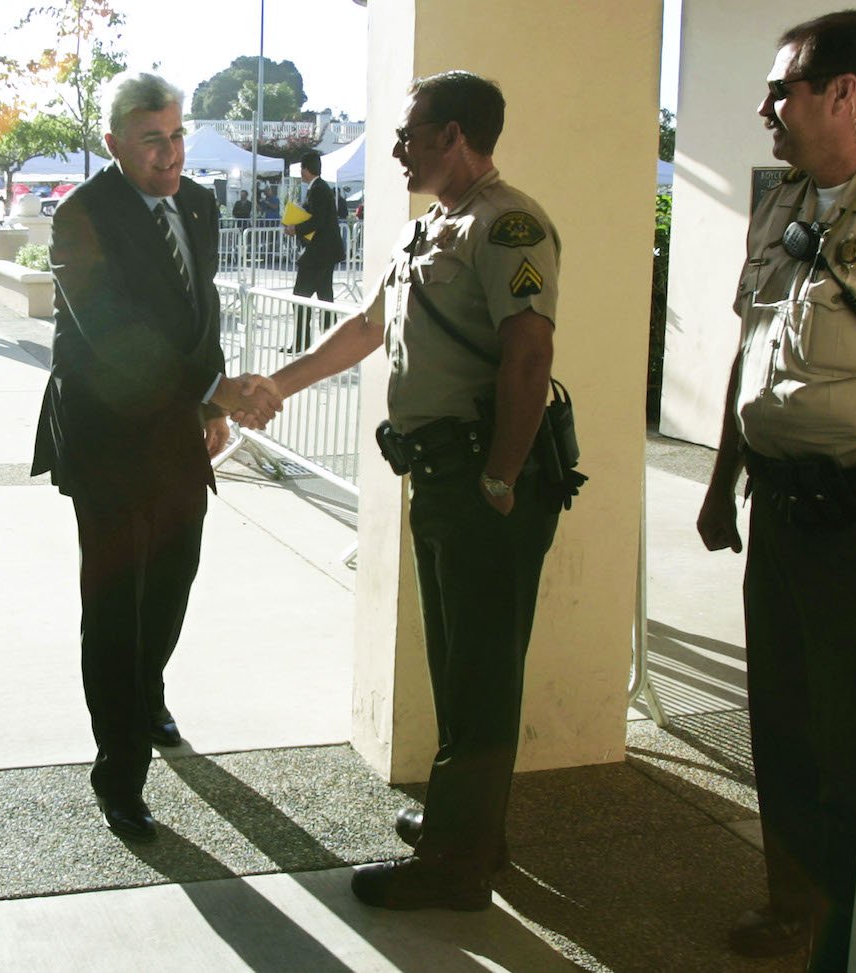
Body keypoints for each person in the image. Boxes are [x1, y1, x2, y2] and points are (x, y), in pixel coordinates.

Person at [270, 70, 562, 911]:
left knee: (479, 669)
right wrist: (278, 387)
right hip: (439, 475)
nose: (397, 147)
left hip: (483, 477)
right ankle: (469, 830)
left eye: (411, 132)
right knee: (458, 662)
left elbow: (529, 356)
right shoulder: (428, 229)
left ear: (457, 135)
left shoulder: (507, 224)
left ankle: (456, 865)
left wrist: (502, 477)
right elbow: (366, 330)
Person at [695, 12, 856, 969]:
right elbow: (753, 351)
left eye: (781, 89)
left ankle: (852, 932)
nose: (763, 107)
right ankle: (794, 908)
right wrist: (719, 481)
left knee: (847, 739)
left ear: (845, 94)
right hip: (774, 503)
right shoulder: (784, 202)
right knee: (777, 720)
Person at [30, 71, 281, 845]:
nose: (171, 154)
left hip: (177, 429)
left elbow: (198, 310)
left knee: (173, 578)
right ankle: (120, 770)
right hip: (106, 439)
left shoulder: (199, 203)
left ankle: (147, 687)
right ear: (114, 144)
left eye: (176, 136)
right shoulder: (81, 217)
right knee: (115, 605)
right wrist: (209, 390)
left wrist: (209, 404)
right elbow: (113, 334)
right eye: (152, 141)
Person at [282, 151, 346, 353]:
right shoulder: (320, 188)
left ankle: (304, 342)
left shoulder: (318, 189)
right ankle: (330, 344)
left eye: (302, 168)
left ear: (306, 169)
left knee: (300, 296)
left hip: (319, 253)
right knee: (325, 297)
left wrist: (295, 229)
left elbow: (317, 220)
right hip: (325, 252)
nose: (300, 172)